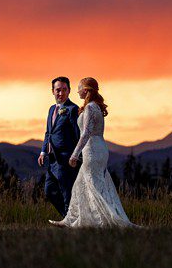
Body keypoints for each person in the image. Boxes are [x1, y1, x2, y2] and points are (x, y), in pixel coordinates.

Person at [49, 77, 137, 228]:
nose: (77, 91)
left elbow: (86, 133)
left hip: (92, 149)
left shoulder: (90, 107)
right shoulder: (96, 106)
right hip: (100, 147)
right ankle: (72, 220)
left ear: (85, 90)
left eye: (79, 88)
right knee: (80, 185)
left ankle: (106, 221)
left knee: (94, 187)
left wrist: (75, 154)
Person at [39, 76, 81, 216]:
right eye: (58, 90)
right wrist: (43, 152)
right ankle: (68, 218)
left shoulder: (72, 109)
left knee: (67, 192)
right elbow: (48, 133)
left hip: (66, 159)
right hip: (52, 159)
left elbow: (78, 134)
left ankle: (72, 222)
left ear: (69, 91)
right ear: (52, 91)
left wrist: (76, 155)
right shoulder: (51, 109)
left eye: (64, 90)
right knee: (49, 191)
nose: (61, 93)